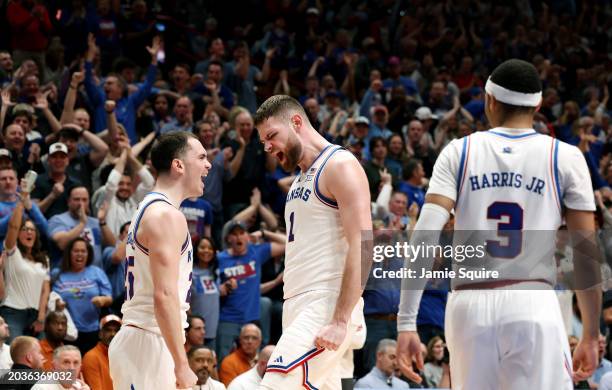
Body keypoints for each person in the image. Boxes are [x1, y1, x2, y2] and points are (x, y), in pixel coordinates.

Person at [396, 59, 602, 389]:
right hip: (532, 300)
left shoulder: (458, 152)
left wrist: (406, 322)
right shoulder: (565, 156)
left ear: (489, 100)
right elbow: (586, 253)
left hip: (469, 306)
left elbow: (424, 236)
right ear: (537, 105)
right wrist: (591, 334)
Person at [254, 95, 371, 389]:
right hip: (297, 303)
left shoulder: (340, 164)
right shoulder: (298, 180)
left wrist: (341, 319)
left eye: (271, 136)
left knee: (275, 386)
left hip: (326, 303)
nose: (267, 147)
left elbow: (364, 244)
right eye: (263, 142)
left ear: (296, 122)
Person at [108, 131, 211, 389]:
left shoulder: (149, 207)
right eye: (201, 157)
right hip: (147, 341)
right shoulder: (165, 215)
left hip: (144, 339)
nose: (208, 165)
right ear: (178, 165)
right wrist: (182, 364)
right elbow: (164, 295)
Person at [0, 177, 50, 343]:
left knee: (39, 363)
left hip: (36, 315)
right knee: (14, 363)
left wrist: (41, 317)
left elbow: (45, 290)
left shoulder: (44, 259)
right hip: (12, 312)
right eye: (24, 229)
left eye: (31, 229)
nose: (28, 232)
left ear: (36, 235)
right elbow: (12, 226)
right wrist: (22, 200)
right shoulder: (11, 253)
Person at [52, 237, 112, 355]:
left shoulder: (96, 272)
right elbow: (51, 300)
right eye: (76, 251)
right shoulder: (57, 274)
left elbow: (109, 298)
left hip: (93, 330)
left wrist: (102, 300)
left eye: (83, 251)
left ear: (88, 254)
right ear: (69, 253)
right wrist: (57, 305)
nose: (80, 254)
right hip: (67, 332)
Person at [81, 315, 121, 390]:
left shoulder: (123, 357)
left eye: (117, 330)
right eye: (108, 330)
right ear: (100, 334)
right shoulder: (91, 357)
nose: (113, 334)